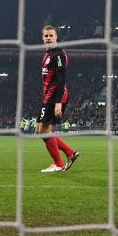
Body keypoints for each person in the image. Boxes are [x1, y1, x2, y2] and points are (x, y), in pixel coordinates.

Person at [37, 25, 80, 173]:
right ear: (42, 38)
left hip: (56, 96)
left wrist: (58, 103)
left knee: (44, 131)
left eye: (51, 35)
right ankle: (70, 153)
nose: (48, 38)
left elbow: (61, 80)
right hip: (48, 96)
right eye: (46, 36)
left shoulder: (59, 55)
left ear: (56, 37)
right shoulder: (48, 54)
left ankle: (58, 164)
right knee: (40, 130)